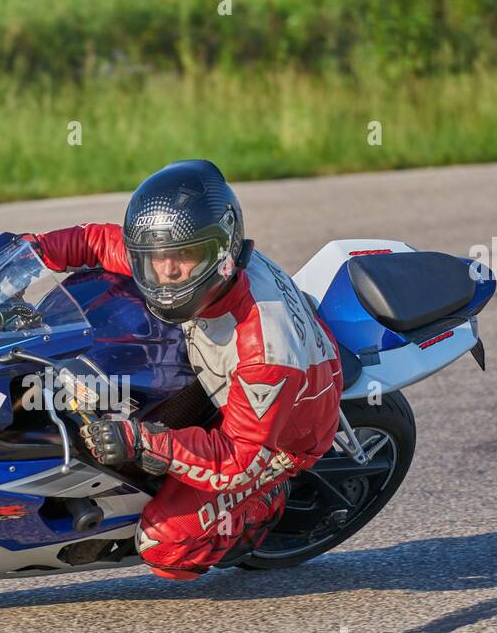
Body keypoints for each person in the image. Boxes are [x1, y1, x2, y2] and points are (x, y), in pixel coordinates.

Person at [26, 159, 344, 580]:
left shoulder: (265, 349)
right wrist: (25, 254)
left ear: (221, 253)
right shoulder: (179, 255)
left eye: (184, 257)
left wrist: (142, 442)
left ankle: (266, 502)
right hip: (218, 362)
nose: (166, 271)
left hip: (280, 435)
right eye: (154, 257)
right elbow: (95, 243)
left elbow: (238, 460)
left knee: (164, 546)